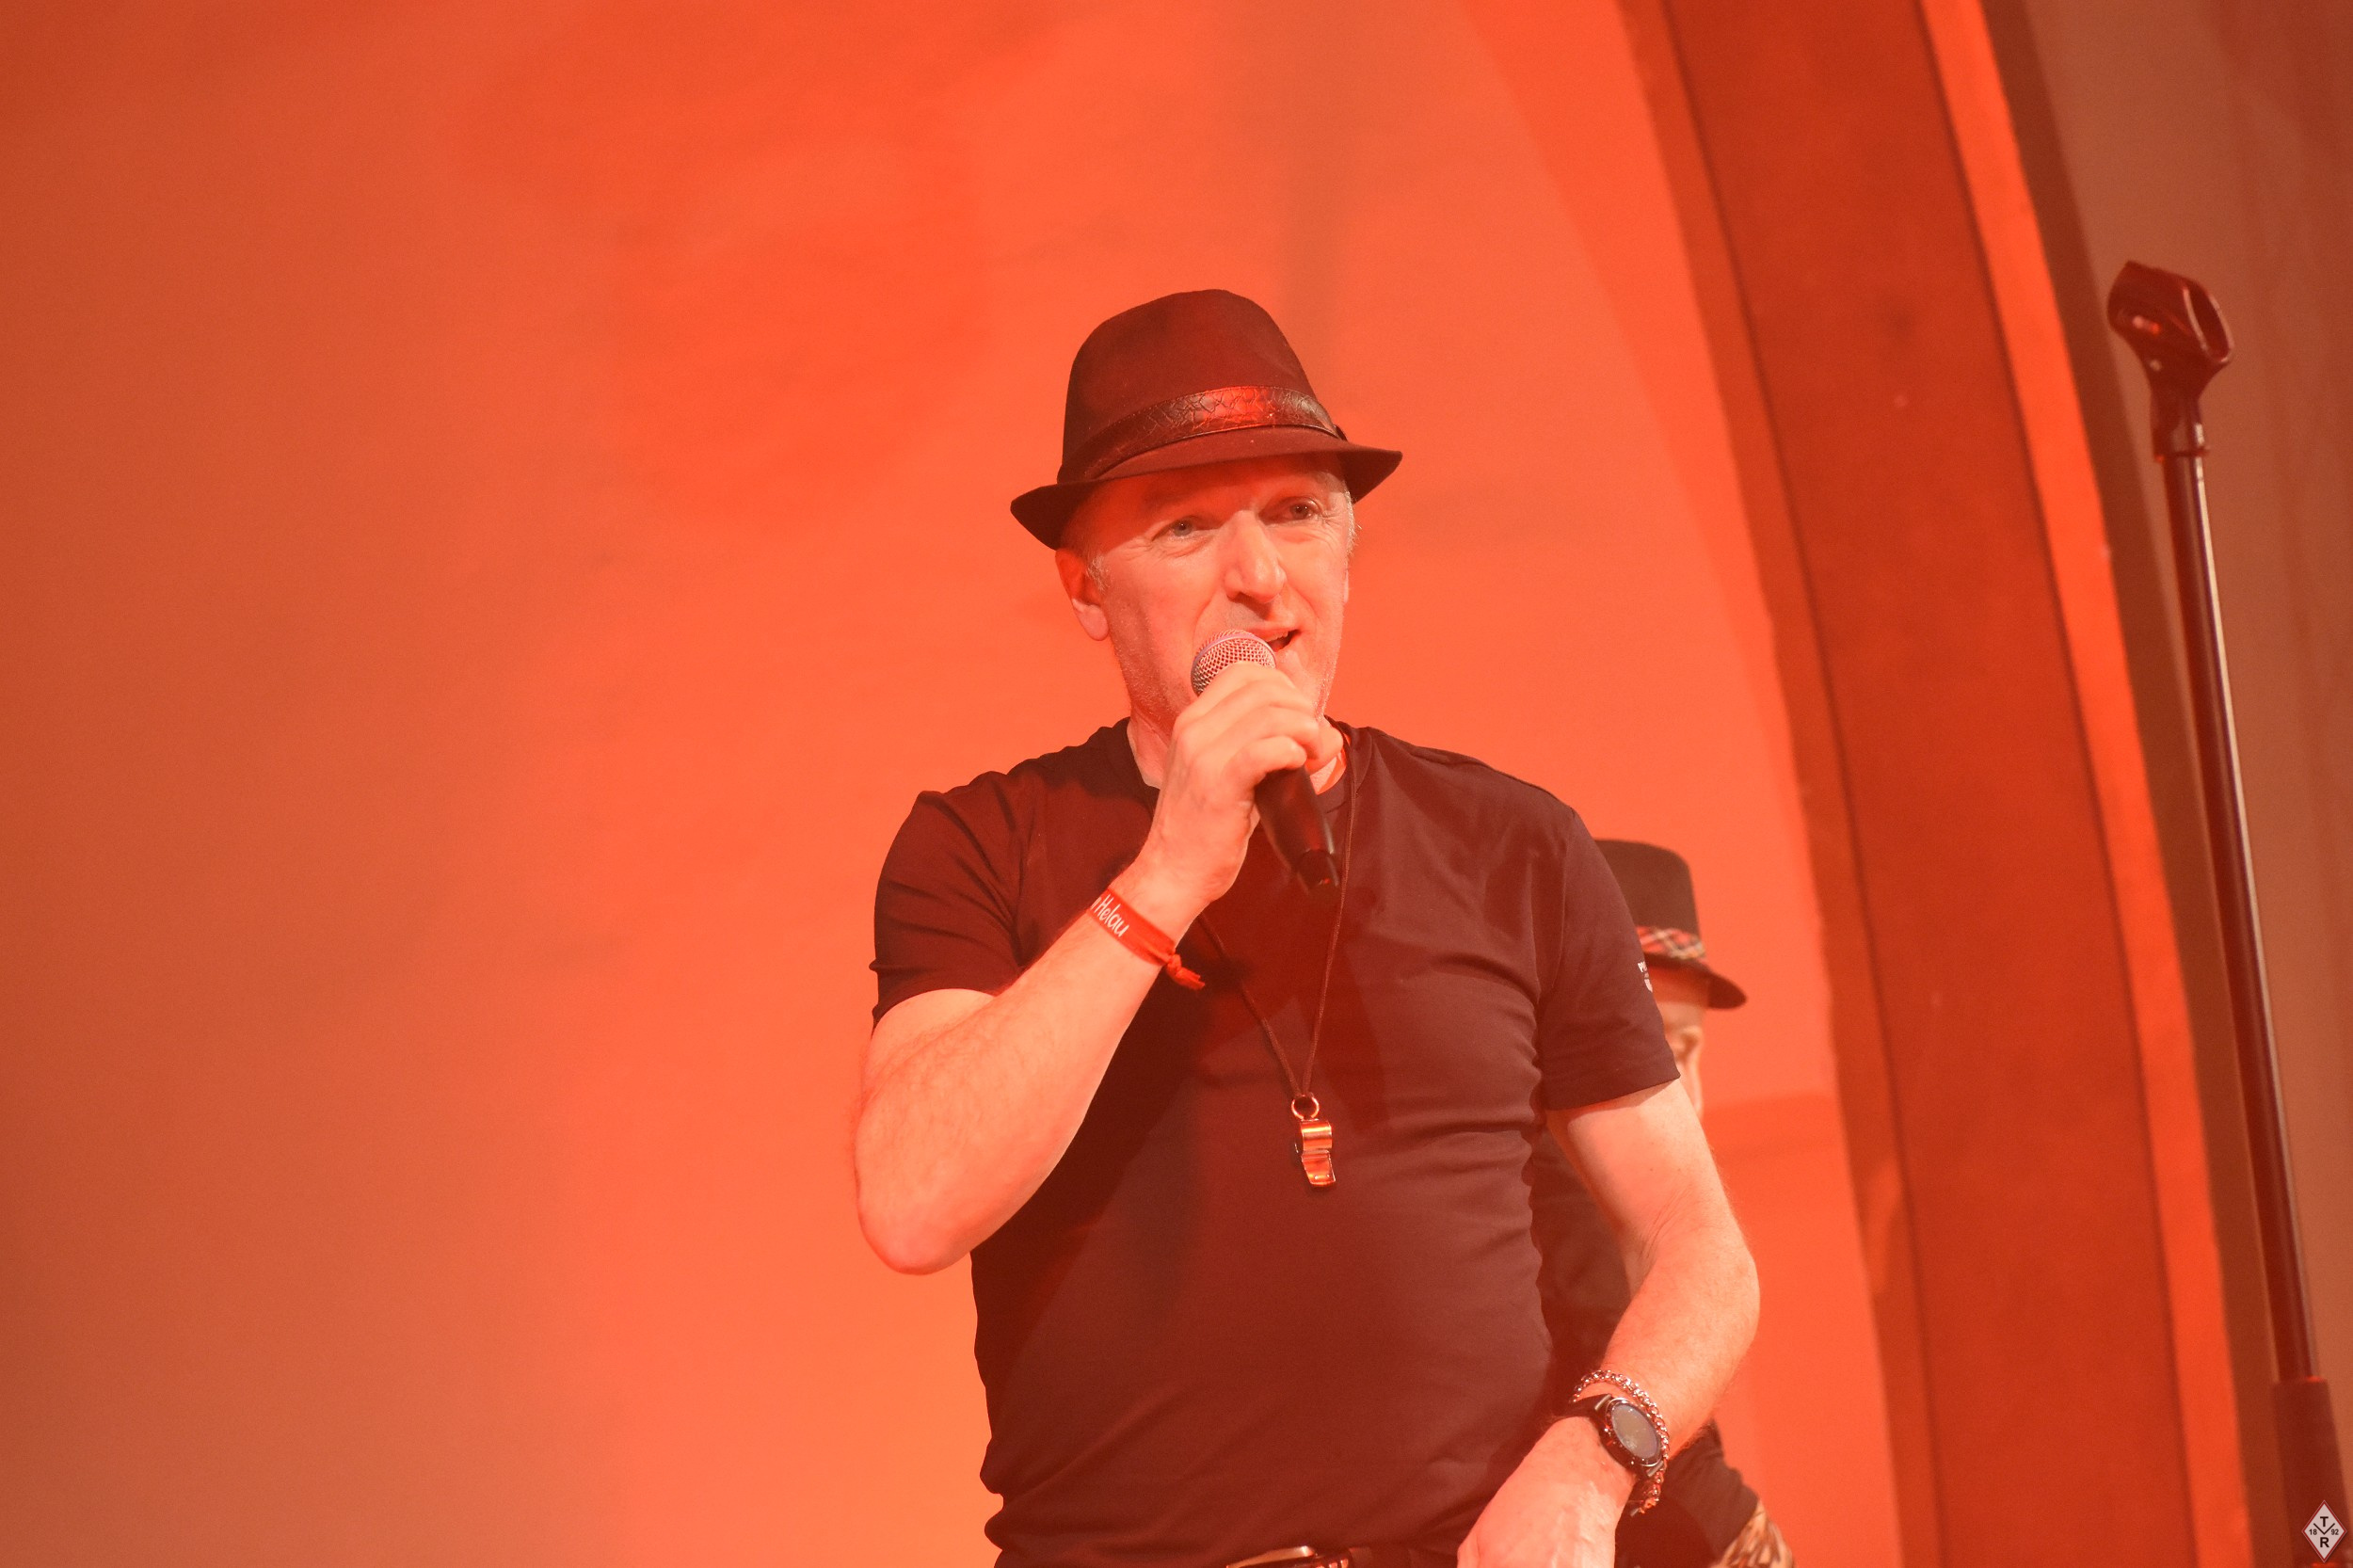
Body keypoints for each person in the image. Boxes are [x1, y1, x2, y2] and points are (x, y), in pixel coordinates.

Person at [855, 289, 1758, 1568]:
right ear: (1085, 587)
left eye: (1297, 513)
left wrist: (1592, 1462)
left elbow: (1701, 1249)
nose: (1258, 577)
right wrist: (1167, 871)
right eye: (1185, 527)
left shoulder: (1514, 842)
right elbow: (910, 1204)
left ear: (1346, 550)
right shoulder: (982, 844)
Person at [1530, 841, 1794, 1568]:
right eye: (1666, 1054)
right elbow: (1674, 1476)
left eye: (1694, 1050)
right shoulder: (1553, 1182)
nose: (1695, 1097)